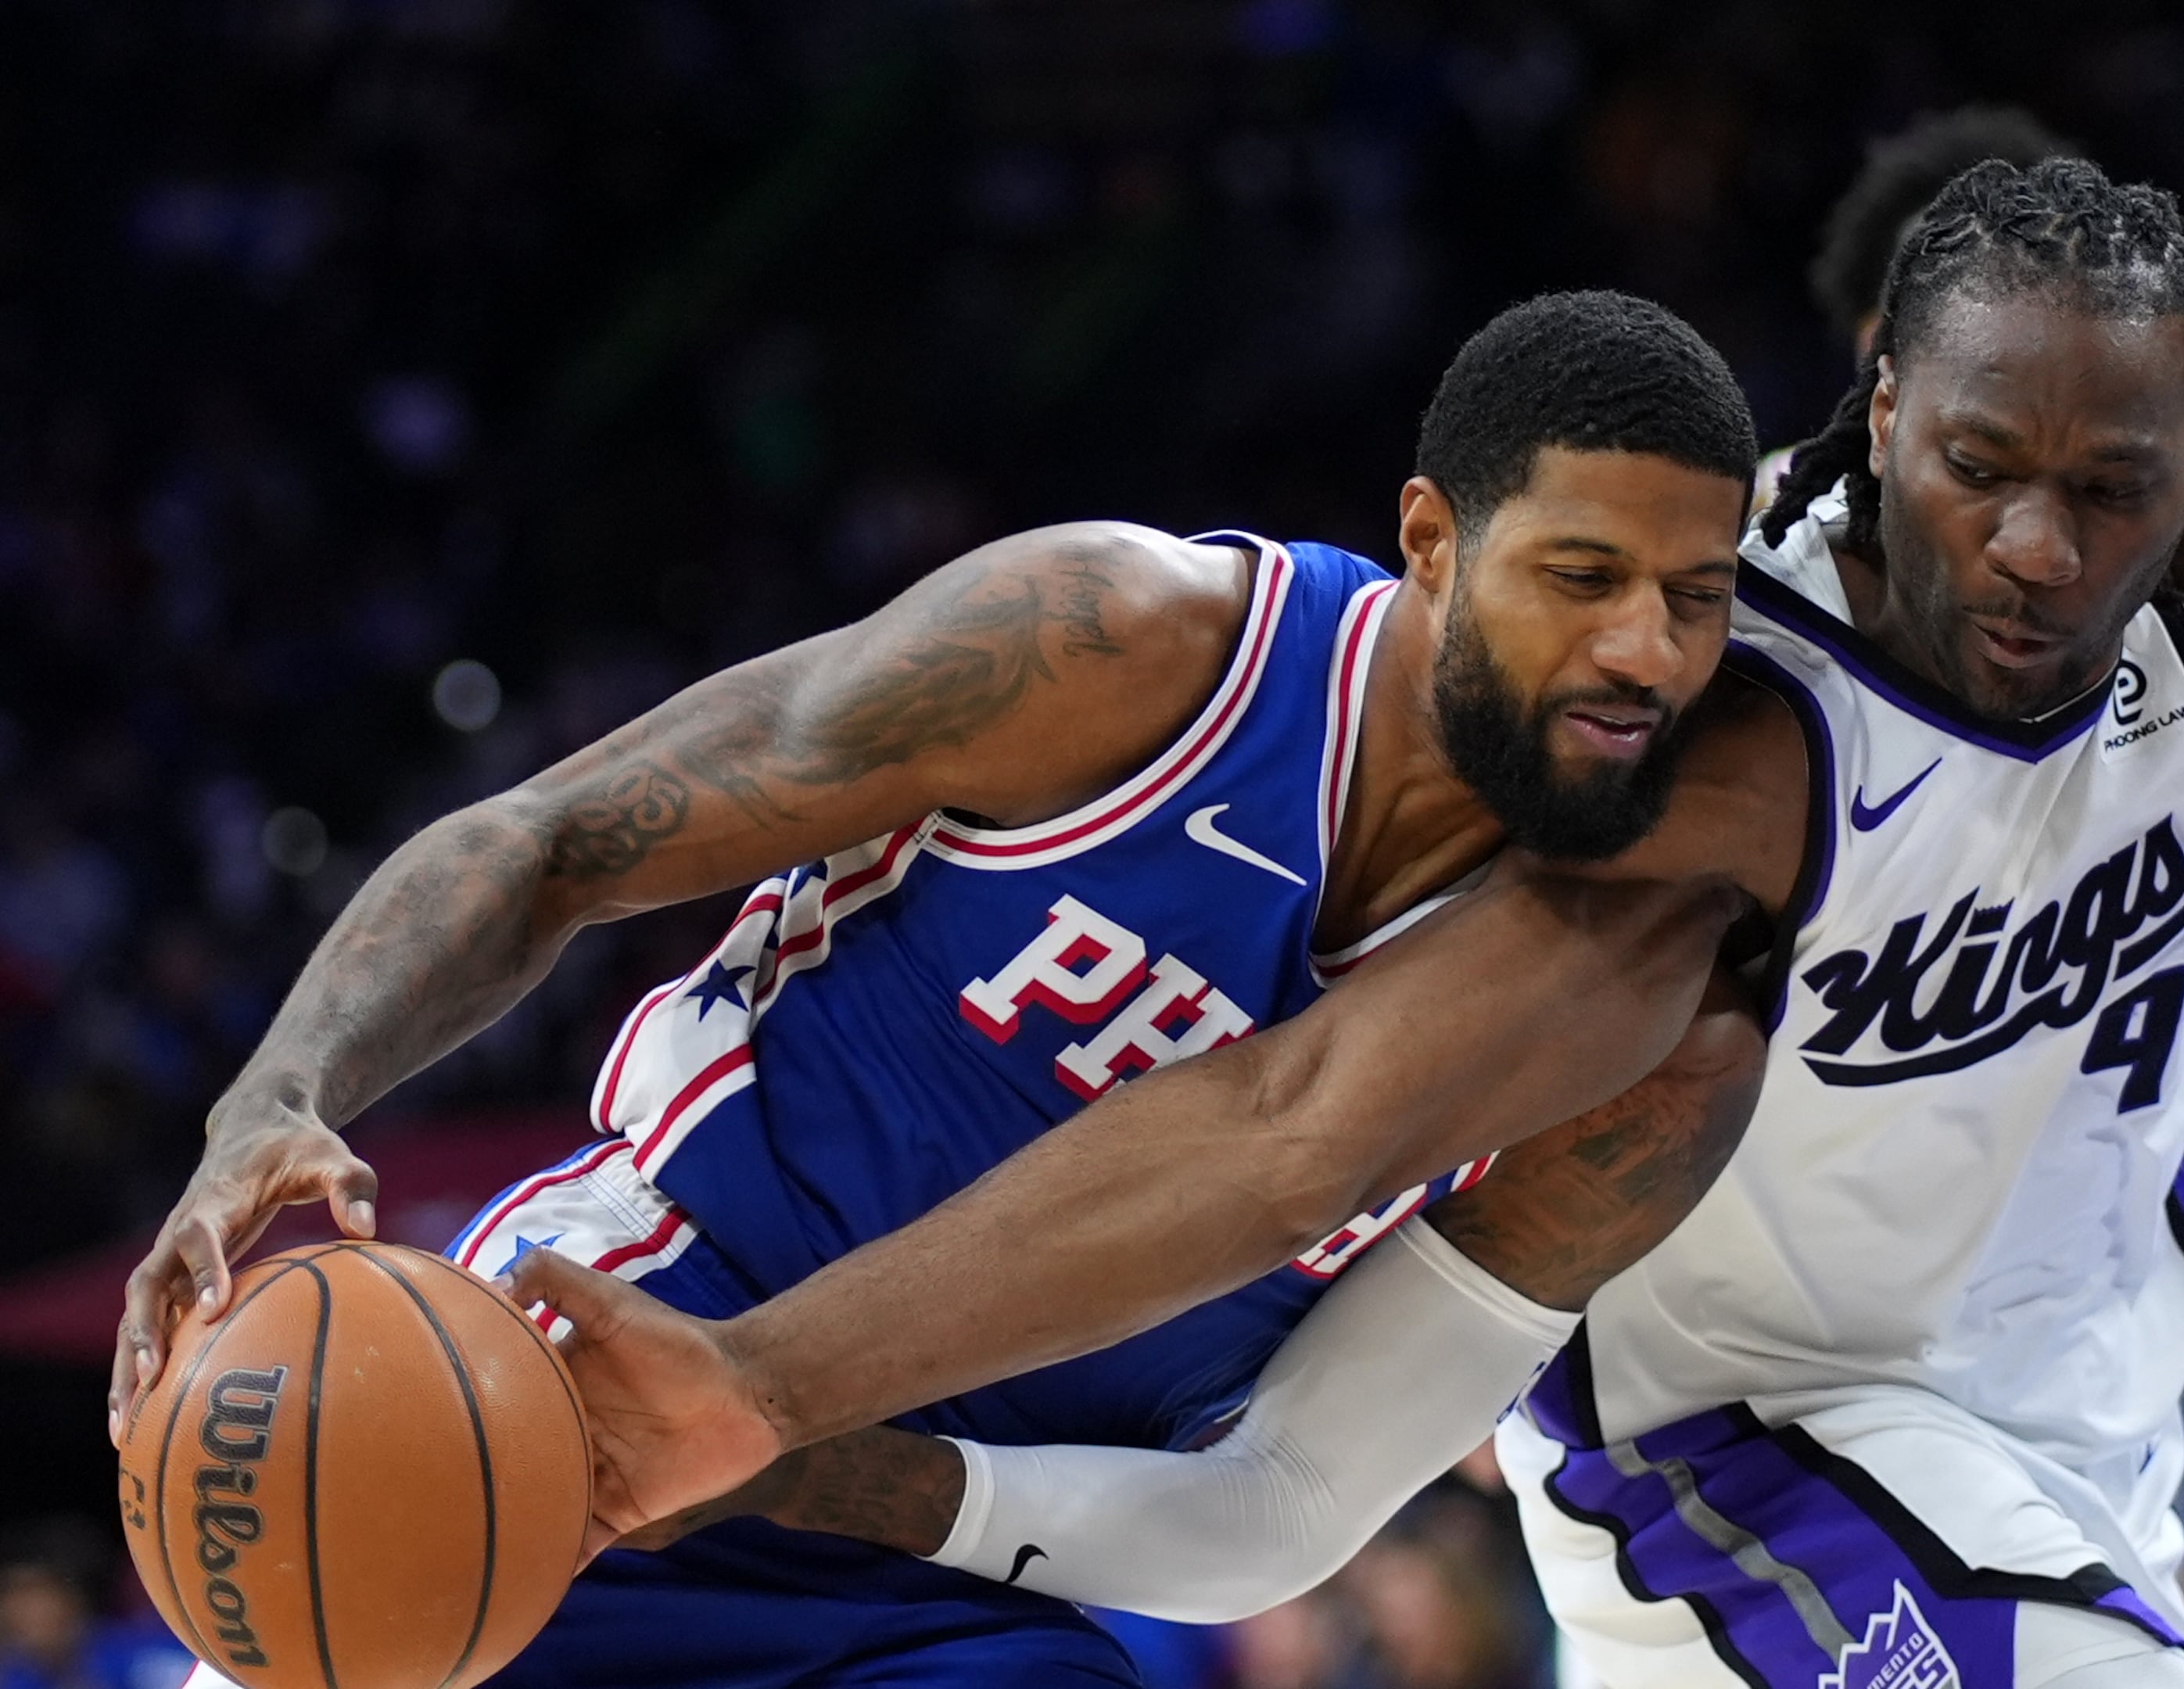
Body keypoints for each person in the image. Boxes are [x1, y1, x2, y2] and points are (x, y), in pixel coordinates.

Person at [439, 159, 2184, 1689]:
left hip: (2062, 1436)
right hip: (1739, 1450)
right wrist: (768, 1381)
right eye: (1981, 470)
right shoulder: (1739, 752)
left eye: (2106, 487)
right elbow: (1286, 1122)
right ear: (1876, 415)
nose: (2040, 545)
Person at [127, 289, 1785, 1686]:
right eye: (1581, 578)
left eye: (1695, 601)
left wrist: (831, 1472)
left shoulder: (1640, 1027)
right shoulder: (1136, 651)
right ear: (1430, 539)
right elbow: (562, 838)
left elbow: (1285, 1500)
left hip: (957, 1562)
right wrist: (281, 1091)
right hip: (575, 1402)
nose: (1645, 650)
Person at [1791, 105, 2184, 1591]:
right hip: (1759, 1371)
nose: (2031, 515)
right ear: (1885, 375)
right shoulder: (1745, 613)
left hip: (2075, 1364)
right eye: (1986, 435)